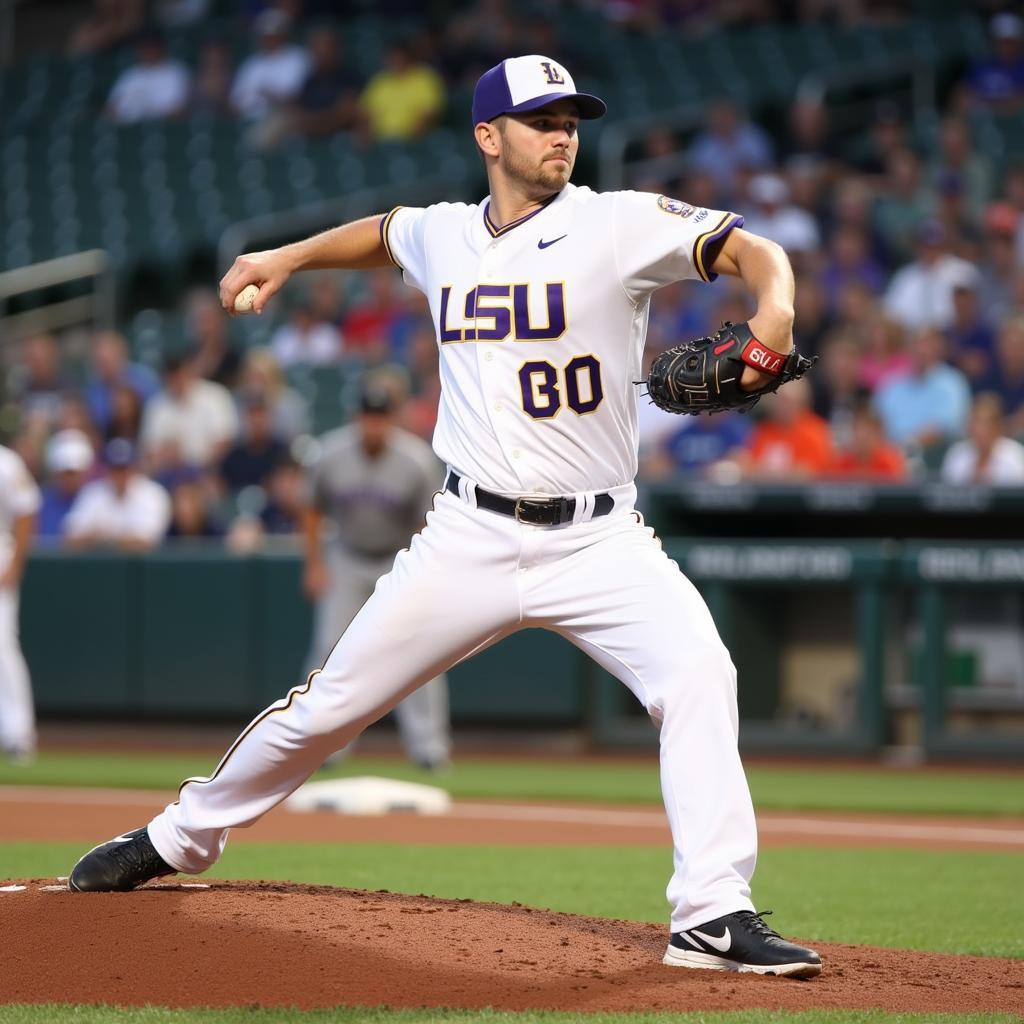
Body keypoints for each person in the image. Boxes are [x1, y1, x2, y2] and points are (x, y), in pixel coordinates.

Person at [68, 54, 822, 979]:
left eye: (571, 119)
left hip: (599, 537)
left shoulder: (616, 221)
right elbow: (382, 234)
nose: (562, 134)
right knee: (328, 708)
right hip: (467, 535)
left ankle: (711, 914)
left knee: (702, 671)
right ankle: (179, 836)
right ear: (487, 136)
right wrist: (285, 257)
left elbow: (755, 251)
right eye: (541, 118)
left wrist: (774, 314)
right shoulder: (444, 235)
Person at [303, 380, 450, 771]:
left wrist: (423, 576)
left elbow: (430, 522)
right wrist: (315, 564)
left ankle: (429, 751)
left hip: (398, 558)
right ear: (357, 417)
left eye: (380, 417)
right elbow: (312, 509)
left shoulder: (416, 459)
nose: (374, 425)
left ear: (392, 419)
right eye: (368, 416)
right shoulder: (331, 453)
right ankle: (317, 746)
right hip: (347, 558)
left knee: (417, 652)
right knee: (330, 650)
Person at [0, 443, 40, 764]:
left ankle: (18, 735)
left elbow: (26, 511)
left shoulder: (6, 462)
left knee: (2, 646)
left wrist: (15, 564)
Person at [64, 439, 171, 552]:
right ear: (107, 469)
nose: (120, 474)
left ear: (134, 467)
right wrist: (119, 537)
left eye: (124, 468)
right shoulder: (93, 492)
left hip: (142, 567)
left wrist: (102, 536)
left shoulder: (153, 494)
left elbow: (146, 541)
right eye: (115, 468)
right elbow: (71, 537)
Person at [941, 393, 1024, 486]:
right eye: (976, 426)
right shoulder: (957, 454)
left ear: (997, 428)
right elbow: (946, 494)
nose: (981, 432)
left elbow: (1017, 496)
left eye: (987, 426)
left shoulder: (1014, 456)